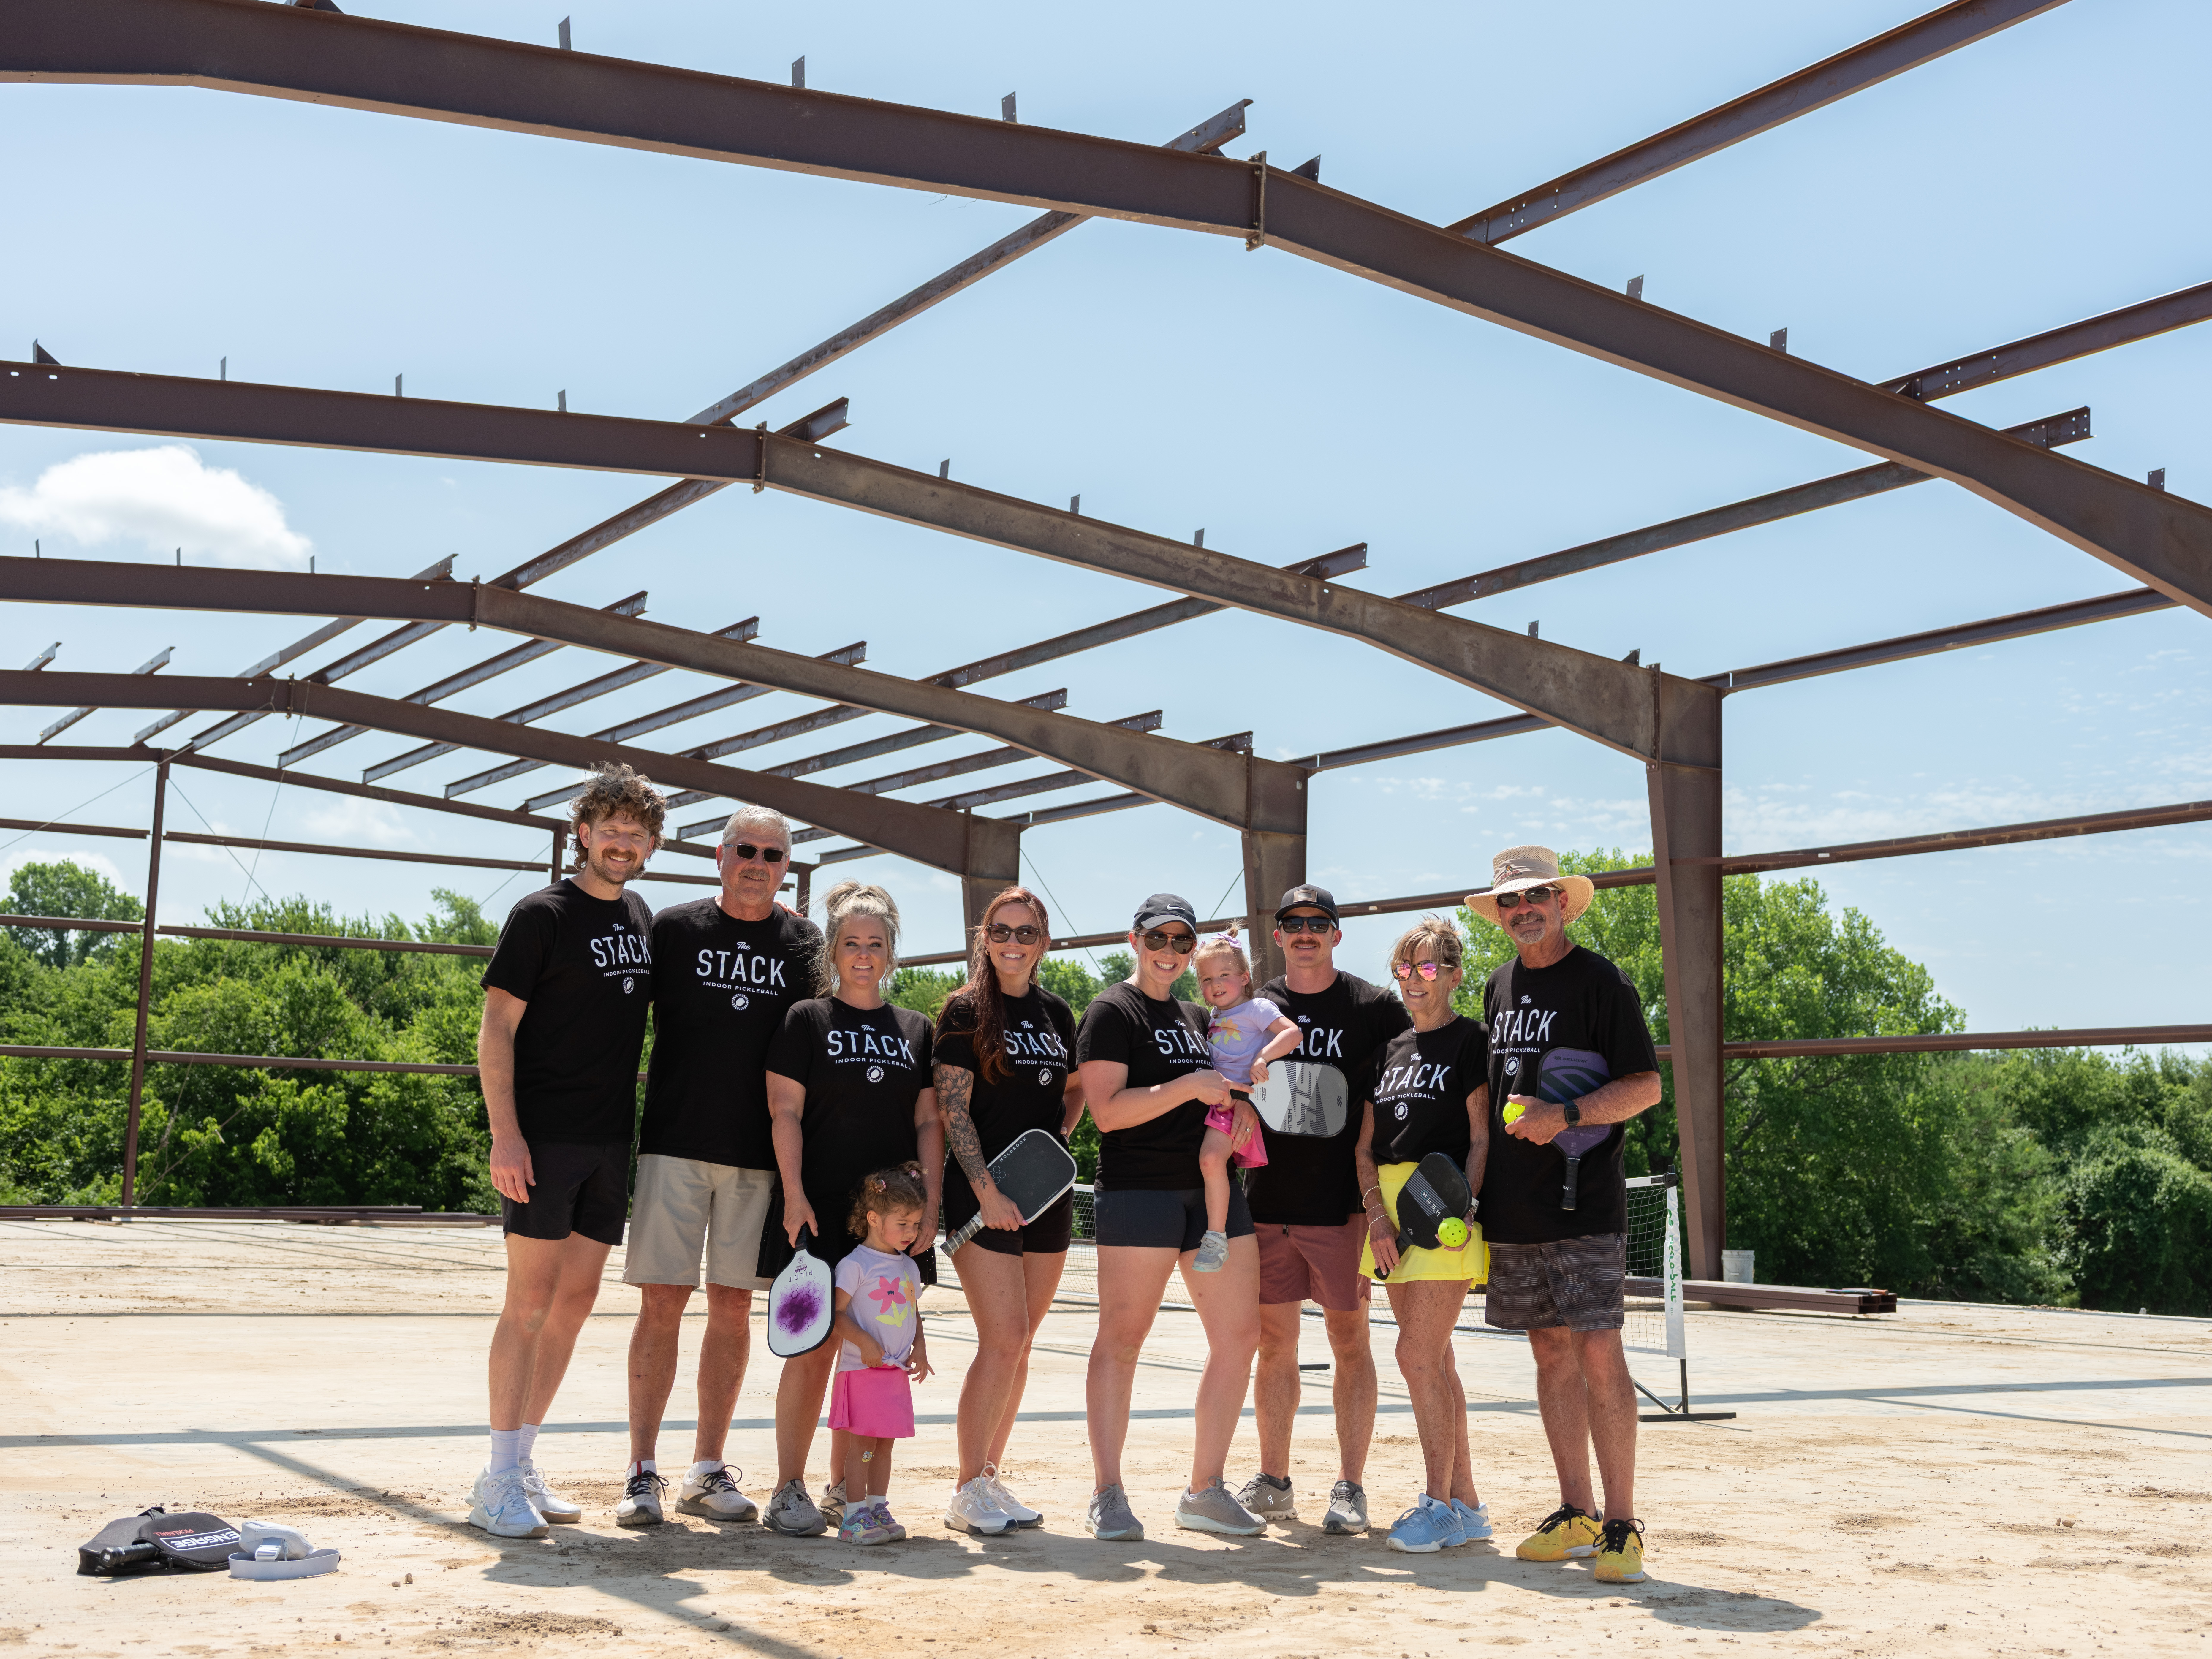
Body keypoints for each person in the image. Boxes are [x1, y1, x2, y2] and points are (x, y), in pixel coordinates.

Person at [469, 764, 662, 1539]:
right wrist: (505, 1132)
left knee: (575, 1305)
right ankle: (494, 1476)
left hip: (610, 1141)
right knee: (528, 1305)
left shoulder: (641, 917)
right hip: (542, 1137)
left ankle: (522, 1461)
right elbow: (496, 1028)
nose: (622, 842)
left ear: (650, 843)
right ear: (582, 832)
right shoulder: (540, 913)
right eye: (609, 828)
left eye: (636, 832)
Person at [616, 804, 821, 1527]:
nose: (758, 864)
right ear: (719, 856)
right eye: (746, 850)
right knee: (662, 1302)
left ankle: (708, 1468)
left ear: (786, 867)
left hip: (757, 1159)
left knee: (733, 1306)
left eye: (773, 854)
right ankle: (643, 1472)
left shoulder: (806, 945)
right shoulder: (673, 929)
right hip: (673, 1143)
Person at [1466, 845, 1664, 1586]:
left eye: (1535, 897)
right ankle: (1575, 1510)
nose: (1524, 911)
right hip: (1514, 1210)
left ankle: (1620, 1522)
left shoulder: (1602, 981)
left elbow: (1645, 1085)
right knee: (1548, 1353)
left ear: (1561, 902)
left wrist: (1568, 1114)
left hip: (1586, 1206)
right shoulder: (1496, 987)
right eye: (1511, 902)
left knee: (1598, 1353)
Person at [1076, 893, 1264, 1541]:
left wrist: (1241, 1112)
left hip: (1210, 1191)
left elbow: (1230, 1084)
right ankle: (1107, 1492)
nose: (1171, 953)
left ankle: (1204, 1490)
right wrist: (1186, 1086)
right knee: (1122, 1342)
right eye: (1158, 939)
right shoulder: (1111, 1010)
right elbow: (1106, 1112)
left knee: (1239, 1338)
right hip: (1139, 1192)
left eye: (1183, 943)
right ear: (1135, 940)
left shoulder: (1194, 1012)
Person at [759, 881, 942, 1537]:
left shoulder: (915, 1029)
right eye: (851, 943)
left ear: (891, 951)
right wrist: (795, 1192)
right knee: (810, 1350)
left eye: (875, 943)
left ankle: (847, 1492)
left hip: (887, 1226)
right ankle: (788, 1489)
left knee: (874, 1355)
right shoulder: (805, 1020)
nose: (863, 954)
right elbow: (785, 1112)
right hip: (818, 1213)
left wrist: (931, 1204)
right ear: (833, 949)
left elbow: (928, 1123)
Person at [1238, 884, 1411, 1535]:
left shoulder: (1374, 1007)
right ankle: (1274, 1480)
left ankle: (1350, 1486)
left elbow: (1411, 1087)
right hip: (1266, 1209)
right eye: (1292, 923)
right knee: (1274, 1344)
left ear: (1336, 934)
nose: (1305, 932)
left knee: (1349, 1342)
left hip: (1344, 1213)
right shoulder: (1254, 1009)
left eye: (1318, 922)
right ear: (1277, 935)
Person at [932, 886, 1081, 1536]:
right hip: (982, 1196)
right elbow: (952, 1109)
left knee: (1020, 1345)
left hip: (1045, 1199)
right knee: (1001, 1340)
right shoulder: (964, 1011)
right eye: (1002, 931)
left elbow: (1072, 1091)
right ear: (984, 938)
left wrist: (1053, 1152)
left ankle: (989, 1476)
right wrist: (988, 1189)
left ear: (1042, 941)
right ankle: (967, 1488)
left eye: (1026, 933)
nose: (1013, 944)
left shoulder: (1057, 1013)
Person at [1355, 917, 1493, 1553]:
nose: (1414, 979)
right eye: (1404, 968)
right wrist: (1377, 1218)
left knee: (1413, 1357)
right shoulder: (1386, 1049)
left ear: (1453, 973)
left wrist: (1463, 1207)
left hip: (1443, 1212)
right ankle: (1465, 1503)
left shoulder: (1471, 1040)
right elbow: (1363, 1148)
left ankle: (1436, 1505)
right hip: (1388, 1217)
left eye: (1428, 967)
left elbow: (1481, 1134)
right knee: (1434, 1360)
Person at [827, 1163, 936, 1545]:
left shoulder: (908, 1266)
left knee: (885, 1443)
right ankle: (853, 1514)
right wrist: (865, 1343)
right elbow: (835, 1315)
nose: (911, 1232)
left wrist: (919, 1347)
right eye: (902, 1223)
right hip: (862, 1370)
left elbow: (913, 1311)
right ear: (873, 1218)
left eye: (916, 1224)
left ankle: (877, 1505)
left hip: (893, 1371)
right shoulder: (855, 1264)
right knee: (864, 1444)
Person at [1192, 929, 1299, 1272]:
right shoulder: (1211, 1018)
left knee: (1210, 1160)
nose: (1216, 984)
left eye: (1224, 975)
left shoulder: (1257, 1007)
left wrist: (1263, 1058)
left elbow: (1292, 1033)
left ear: (1244, 977)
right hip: (1213, 1102)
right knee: (1209, 1165)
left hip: (1238, 1101)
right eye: (1207, 978)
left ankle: (1216, 1236)